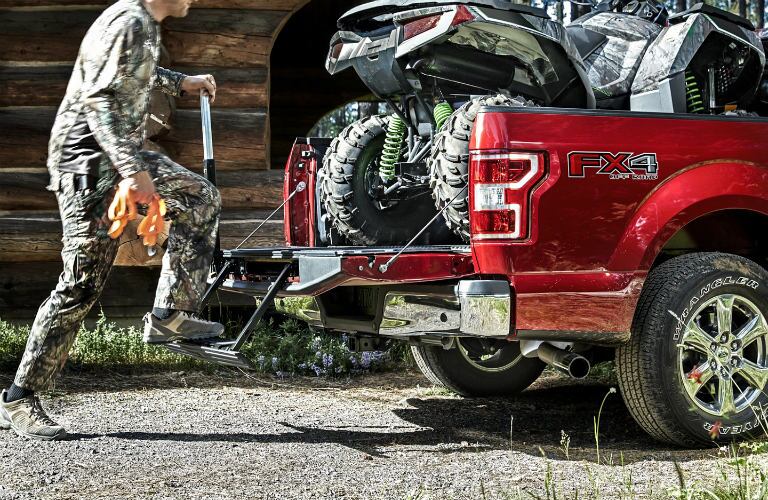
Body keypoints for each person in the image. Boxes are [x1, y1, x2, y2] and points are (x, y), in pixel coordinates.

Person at [0, 0, 224, 440]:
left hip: (117, 159)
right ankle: (18, 398)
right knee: (80, 285)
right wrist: (132, 171)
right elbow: (100, 97)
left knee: (201, 198)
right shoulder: (127, 21)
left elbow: (131, 74)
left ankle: (171, 313)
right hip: (86, 167)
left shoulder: (141, 23)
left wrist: (182, 82)